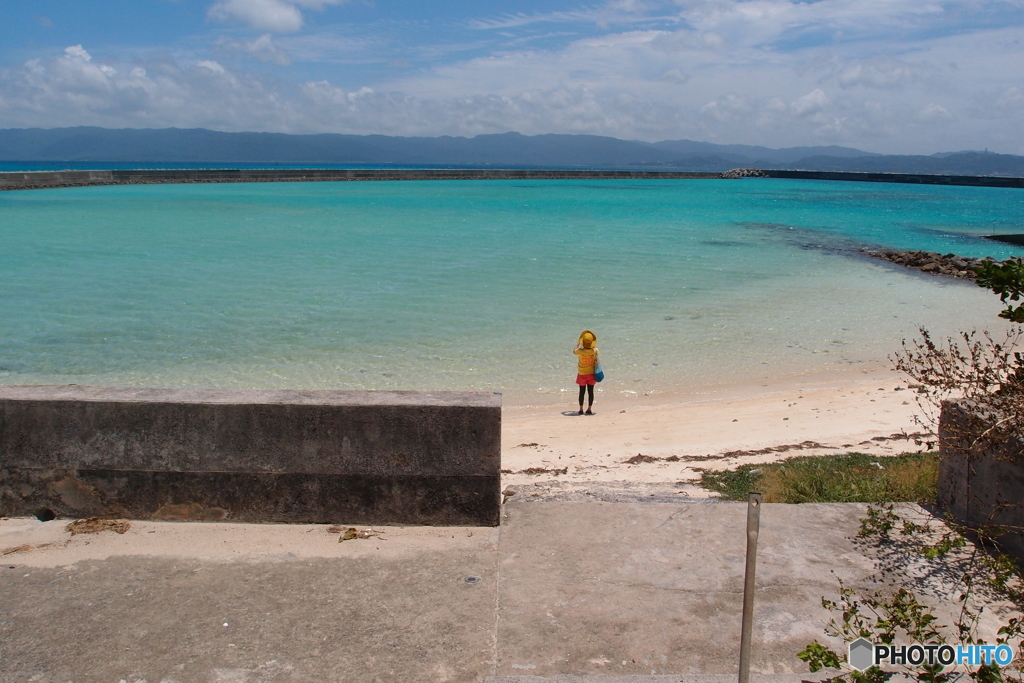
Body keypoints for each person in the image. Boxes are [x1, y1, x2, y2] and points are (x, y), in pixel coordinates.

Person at [573, 330, 599, 415]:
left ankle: (580, 409)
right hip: (591, 374)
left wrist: (578, 344)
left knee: (582, 392)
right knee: (590, 392)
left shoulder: (580, 351)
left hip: (582, 374)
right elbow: (596, 350)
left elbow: (574, 351)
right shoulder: (594, 351)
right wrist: (593, 346)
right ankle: (589, 409)